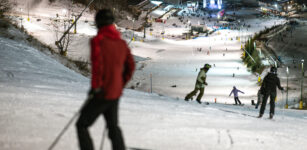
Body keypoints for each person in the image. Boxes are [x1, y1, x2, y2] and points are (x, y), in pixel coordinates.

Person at [76, 9, 135, 150]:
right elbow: (131, 66)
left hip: (102, 92)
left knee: (82, 124)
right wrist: (120, 83)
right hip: (115, 92)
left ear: (98, 23)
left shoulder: (98, 41)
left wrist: (96, 87)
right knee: (113, 126)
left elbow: (98, 67)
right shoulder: (121, 43)